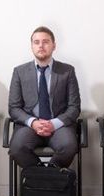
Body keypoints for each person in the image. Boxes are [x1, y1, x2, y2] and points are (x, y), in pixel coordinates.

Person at [8, 26, 80, 168]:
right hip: (29, 126)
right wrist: (33, 122)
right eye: (36, 42)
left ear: (54, 45)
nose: (41, 45)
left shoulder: (67, 71)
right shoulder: (19, 72)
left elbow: (74, 107)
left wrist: (54, 123)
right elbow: (14, 108)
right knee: (16, 149)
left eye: (45, 42)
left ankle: (45, 179)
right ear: (31, 46)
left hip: (59, 126)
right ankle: (45, 178)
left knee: (69, 146)